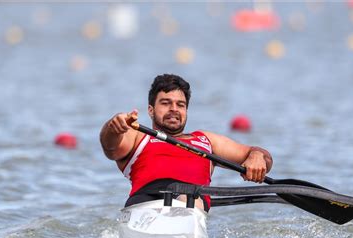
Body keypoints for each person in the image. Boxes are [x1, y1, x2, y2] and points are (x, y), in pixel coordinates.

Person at [100, 74, 272, 211]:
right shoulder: (136, 136)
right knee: (186, 200)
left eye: (180, 105)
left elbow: (258, 154)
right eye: (166, 103)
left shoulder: (206, 141)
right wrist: (113, 126)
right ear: (150, 110)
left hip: (191, 204)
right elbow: (111, 147)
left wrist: (256, 157)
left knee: (189, 198)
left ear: (186, 110)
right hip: (146, 205)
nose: (174, 109)